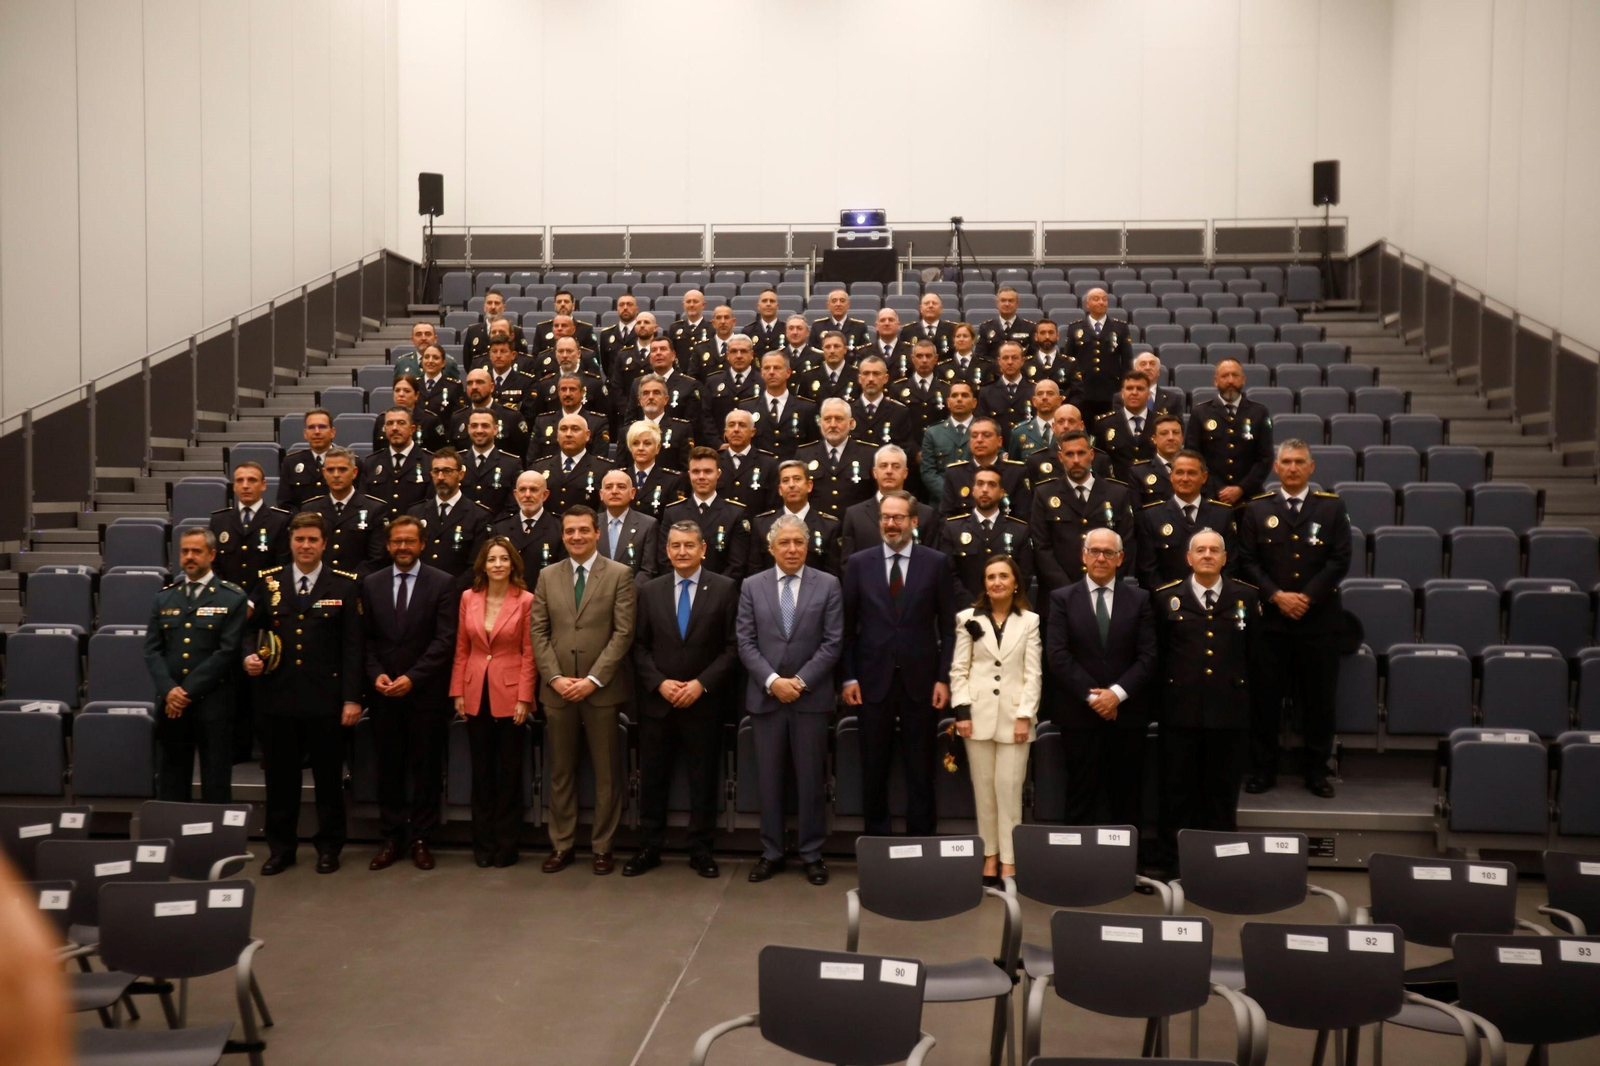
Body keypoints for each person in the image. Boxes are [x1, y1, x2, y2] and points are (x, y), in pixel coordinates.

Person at [245, 513, 363, 873]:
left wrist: (352, 698)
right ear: (290, 542)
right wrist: (248, 654)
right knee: (280, 781)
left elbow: (353, 648)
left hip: (326, 700)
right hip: (277, 698)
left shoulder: (344, 585)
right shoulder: (269, 582)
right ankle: (281, 848)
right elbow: (249, 630)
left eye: (313, 539)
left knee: (328, 780)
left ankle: (329, 847)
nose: (306, 546)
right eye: (300, 540)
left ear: (325, 543)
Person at [1236, 440, 1351, 798]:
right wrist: (1277, 596)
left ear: (1311, 468)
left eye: (1300, 462)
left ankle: (1316, 771)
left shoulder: (1331, 508)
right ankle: (1263, 770)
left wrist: (1307, 597)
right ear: (1275, 468)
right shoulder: (1256, 510)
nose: (1293, 468)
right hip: (1270, 623)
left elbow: (1340, 559)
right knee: (1264, 701)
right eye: (1286, 462)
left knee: (1319, 701)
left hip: (1319, 621)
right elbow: (1247, 560)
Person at [626, 522, 740, 878]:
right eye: (675, 546)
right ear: (667, 550)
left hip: (703, 703)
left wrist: (700, 684)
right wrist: (659, 684)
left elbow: (732, 648)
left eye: (689, 545)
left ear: (703, 548)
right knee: (653, 780)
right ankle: (649, 847)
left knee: (703, 780)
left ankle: (701, 850)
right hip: (658, 703)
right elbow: (639, 647)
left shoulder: (724, 589)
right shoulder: (651, 590)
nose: (682, 552)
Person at [841, 490, 957, 836]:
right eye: (886, 518)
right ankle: (877, 844)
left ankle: (921, 842)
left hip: (922, 682)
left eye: (898, 518)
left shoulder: (936, 562)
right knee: (873, 766)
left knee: (920, 768)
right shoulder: (860, 563)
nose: (891, 524)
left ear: (914, 521)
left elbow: (949, 628)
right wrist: (848, 678)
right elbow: (846, 627)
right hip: (870, 681)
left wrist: (943, 678)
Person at [737, 514, 844, 885]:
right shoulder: (752, 586)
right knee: (768, 780)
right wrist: (772, 681)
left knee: (811, 780)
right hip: (767, 699)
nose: (792, 549)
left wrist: (797, 682)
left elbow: (833, 643)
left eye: (799, 542)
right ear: (771, 548)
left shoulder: (828, 585)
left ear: (808, 545)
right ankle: (772, 851)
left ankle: (812, 853)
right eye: (784, 542)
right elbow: (746, 642)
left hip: (809, 699)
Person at [531, 506, 637, 875]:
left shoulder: (620, 574)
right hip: (557, 690)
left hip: (601, 690)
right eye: (570, 531)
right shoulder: (547, 575)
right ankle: (561, 845)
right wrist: (555, 677)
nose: (576, 537)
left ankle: (603, 846)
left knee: (607, 772)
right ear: (562, 536)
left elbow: (623, 633)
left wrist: (593, 679)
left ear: (597, 533)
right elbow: (539, 632)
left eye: (583, 531)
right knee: (560, 771)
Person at [1152, 529, 1259, 878]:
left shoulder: (1245, 597)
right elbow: (1159, 656)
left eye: (1215, 550)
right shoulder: (1167, 598)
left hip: (1229, 715)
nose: (1208, 555)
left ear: (1225, 558)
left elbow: (1257, 659)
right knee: (1176, 795)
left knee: (1222, 797)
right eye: (1201, 550)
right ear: (1189, 557)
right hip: (1179, 714)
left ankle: (1220, 869)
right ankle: (1174, 868)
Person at [360, 515, 460, 871]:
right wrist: (377, 675)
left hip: (426, 694)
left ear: (422, 544)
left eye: (409, 541)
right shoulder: (370, 583)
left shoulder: (443, 583)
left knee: (426, 767)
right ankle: (391, 837)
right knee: (388, 768)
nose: (403, 547)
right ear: (388, 546)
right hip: (384, 693)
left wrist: (413, 678)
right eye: (397, 542)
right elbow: (366, 639)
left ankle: (421, 838)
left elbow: (445, 639)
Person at [1044, 528, 1158, 826]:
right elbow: (1057, 655)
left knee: (1127, 796)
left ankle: (1128, 867)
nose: (1101, 558)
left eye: (1109, 552)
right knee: (1080, 795)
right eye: (1094, 551)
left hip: (1127, 713)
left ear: (1121, 558)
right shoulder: (1061, 599)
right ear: (1083, 555)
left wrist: (1116, 694)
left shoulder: (1140, 599)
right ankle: (1079, 867)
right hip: (1079, 714)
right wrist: (1095, 697)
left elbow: (1148, 656)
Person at [949, 555, 1040, 883]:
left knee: (1009, 789)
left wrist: (1024, 716)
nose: (997, 582)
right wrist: (962, 712)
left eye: (1004, 576)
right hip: (977, 716)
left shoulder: (1030, 621)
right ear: (984, 585)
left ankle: (1010, 861)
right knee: (984, 790)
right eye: (990, 577)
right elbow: (960, 670)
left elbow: (1033, 674)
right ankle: (990, 856)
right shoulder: (967, 619)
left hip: (1015, 718)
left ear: (1016, 582)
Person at [143, 528, 249, 803]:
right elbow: (152, 650)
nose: (189, 557)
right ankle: (173, 841)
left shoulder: (232, 598)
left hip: (213, 704)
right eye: (185, 551)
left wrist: (185, 692)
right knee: (171, 781)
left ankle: (215, 845)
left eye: (196, 551)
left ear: (212, 555)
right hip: (171, 706)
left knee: (216, 781)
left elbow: (227, 652)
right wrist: (169, 690)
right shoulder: (164, 597)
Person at [449, 537, 536, 868]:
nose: (498, 564)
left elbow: (529, 654)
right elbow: (462, 649)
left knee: (509, 773)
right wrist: (458, 691)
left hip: (511, 694)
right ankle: (482, 846)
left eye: (503, 559)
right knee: (481, 773)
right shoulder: (467, 598)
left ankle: (507, 845)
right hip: (474, 693)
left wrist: (525, 697)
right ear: (482, 565)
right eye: (492, 559)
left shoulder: (526, 600)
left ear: (512, 564)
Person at [210, 461, 290, 761]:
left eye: (252, 480)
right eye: (240, 480)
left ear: (263, 485)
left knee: (264, 683)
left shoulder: (280, 521)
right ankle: (237, 747)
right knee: (232, 683)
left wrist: (253, 602)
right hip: (228, 613)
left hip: (266, 613)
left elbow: (280, 567)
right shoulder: (219, 521)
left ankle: (268, 748)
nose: (245, 485)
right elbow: (214, 566)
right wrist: (232, 602)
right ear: (233, 485)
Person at [1030, 430, 1137, 594]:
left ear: (1091, 454)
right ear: (1060, 458)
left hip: (1106, 592)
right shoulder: (1044, 494)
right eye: (1069, 454)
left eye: (1081, 453)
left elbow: (1126, 544)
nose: (1076, 460)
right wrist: (1069, 591)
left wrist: (1103, 583)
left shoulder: (1117, 493)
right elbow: (1041, 548)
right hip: (1059, 594)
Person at [1136, 448, 1236, 590]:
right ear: (1171, 476)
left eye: (1192, 473)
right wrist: (1169, 599)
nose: (1185, 479)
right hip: (1167, 604)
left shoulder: (1222, 515)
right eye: (1179, 473)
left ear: (1204, 477)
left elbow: (1231, 564)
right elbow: (1148, 570)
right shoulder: (1152, 516)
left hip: (1213, 601)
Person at [1183, 358, 1274, 505]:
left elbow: (1265, 458)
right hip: (1211, 497)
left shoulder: (1259, 412)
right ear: (1216, 380)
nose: (1230, 380)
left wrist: (1241, 488)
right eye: (1225, 376)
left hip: (1249, 498)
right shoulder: (1201, 413)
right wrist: (1218, 489)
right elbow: (1193, 456)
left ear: (1243, 379)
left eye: (1235, 375)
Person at [940, 466, 1033, 601]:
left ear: (1001, 492)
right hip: (965, 611)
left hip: (1006, 609)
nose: (985, 489)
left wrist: (1002, 605)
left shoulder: (1019, 530)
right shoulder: (953, 529)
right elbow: (948, 574)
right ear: (973, 490)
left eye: (992, 485)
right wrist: (972, 607)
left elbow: (1024, 576)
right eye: (980, 484)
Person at [656, 446, 750, 577]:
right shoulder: (673, 512)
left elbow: (736, 565)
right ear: (689, 474)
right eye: (696, 472)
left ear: (718, 474)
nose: (701, 477)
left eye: (707, 471)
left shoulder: (735, 513)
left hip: (720, 592)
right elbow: (665, 559)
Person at [840, 444, 941, 557]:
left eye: (896, 466)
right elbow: (848, 565)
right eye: (883, 466)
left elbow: (932, 561)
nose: (889, 471)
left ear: (905, 473)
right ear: (875, 472)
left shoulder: (925, 514)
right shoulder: (855, 515)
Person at [305, 446, 393, 576]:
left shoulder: (375, 509)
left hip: (358, 586)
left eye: (342, 469)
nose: (336, 475)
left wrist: (347, 583)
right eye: (330, 470)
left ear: (354, 472)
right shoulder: (311, 509)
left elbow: (377, 558)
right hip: (319, 584)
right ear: (324, 473)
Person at [408, 447, 493, 581]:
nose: (441, 477)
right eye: (436, 471)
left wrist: (449, 590)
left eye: (447, 471)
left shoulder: (478, 515)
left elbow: (476, 565)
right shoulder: (416, 512)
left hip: (457, 592)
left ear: (461, 474)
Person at [750, 460, 842, 575]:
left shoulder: (829, 526)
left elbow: (833, 574)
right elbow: (754, 571)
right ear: (780, 490)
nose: (791, 485)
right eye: (785, 481)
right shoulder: (762, 524)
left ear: (809, 486)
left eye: (797, 479)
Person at [794, 398, 877, 517]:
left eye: (839, 419)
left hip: (855, 527)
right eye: (827, 419)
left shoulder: (869, 455)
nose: (833, 425)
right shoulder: (804, 454)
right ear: (820, 422)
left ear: (851, 423)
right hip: (816, 527)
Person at [937, 416, 1031, 520]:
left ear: (999, 441)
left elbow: (1023, 518)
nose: (979, 440)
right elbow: (946, 519)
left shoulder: (1016, 473)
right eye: (974, 436)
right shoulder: (955, 474)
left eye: (986, 435)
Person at [1063, 288, 1132, 421]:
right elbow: (1068, 361)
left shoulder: (1120, 328)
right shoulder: (1075, 328)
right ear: (1087, 304)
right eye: (1096, 299)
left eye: (1104, 299)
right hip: (1083, 392)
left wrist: (1124, 388)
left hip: (1111, 391)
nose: (1101, 302)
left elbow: (1127, 362)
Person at [737, 350, 819, 459]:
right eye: (767, 368)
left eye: (777, 368)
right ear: (762, 373)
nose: (771, 372)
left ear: (788, 372)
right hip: (759, 472)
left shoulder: (806, 408)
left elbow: (812, 447)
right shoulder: (747, 408)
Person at [529, 412, 610, 514]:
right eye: (563, 429)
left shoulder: (603, 468)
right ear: (558, 436)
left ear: (587, 435)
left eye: (575, 429)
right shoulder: (540, 467)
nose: (568, 434)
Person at [493, 470, 567, 575]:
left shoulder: (559, 527)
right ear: (515, 494)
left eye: (533, 490)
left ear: (545, 495)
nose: (527, 495)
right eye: (522, 490)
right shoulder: (500, 528)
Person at [1092, 371, 1159, 482]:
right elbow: (1097, 461)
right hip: (1116, 490)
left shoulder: (1160, 423)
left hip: (1152, 489)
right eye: (1129, 388)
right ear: (1122, 394)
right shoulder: (1104, 424)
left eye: (1140, 389)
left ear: (1149, 395)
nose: (1134, 392)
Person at [361, 407, 432, 511]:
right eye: (390, 423)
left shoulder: (429, 462)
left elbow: (430, 504)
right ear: (384, 429)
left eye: (401, 423)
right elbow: (365, 503)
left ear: (412, 429)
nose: (395, 428)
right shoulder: (371, 463)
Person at [595, 468, 660, 582]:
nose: (614, 491)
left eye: (621, 487)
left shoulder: (648, 525)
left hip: (631, 595)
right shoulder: (592, 523)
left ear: (632, 493)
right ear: (601, 494)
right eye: (609, 487)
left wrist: (626, 595)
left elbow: (648, 570)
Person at [920, 380, 978, 505]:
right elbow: (928, 471)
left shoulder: (986, 430)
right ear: (948, 402)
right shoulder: (933, 433)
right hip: (943, 504)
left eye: (965, 395)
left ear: (974, 403)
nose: (959, 399)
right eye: (954, 395)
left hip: (978, 501)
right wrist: (950, 494)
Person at [459, 409, 522, 517]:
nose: (479, 430)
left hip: (497, 529)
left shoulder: (512, 464)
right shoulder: (457, 461)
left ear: (495, 429)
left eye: (485, 426)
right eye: (474, 426)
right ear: (468, 429)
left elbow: (513, 506)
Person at [701, 334, 761, 445]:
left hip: (754, 448)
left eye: (743, 351)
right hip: (721, 449)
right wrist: (718, 444)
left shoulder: (763, 381)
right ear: (727, 355)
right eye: (734, 351)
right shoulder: (713, 381)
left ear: (752, 355)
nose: (738, 356)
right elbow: (706, 417)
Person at [717, 408, 779, 515]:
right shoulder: (714, 461)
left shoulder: (769, 464)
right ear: (726, 432)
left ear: (752, 432)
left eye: (742, 425)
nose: (736, 430)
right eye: (731, 425)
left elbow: (773, 507)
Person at [620, 419, 686, 519]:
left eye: (647, 443)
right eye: (636, 443)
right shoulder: (620, 477)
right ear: (630, 447)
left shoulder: (672, 481)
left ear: (658, 448)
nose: (641, 448)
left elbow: (673, 520)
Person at [850, 354, 913, 452]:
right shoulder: (848, 411)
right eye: (866, 373)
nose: (871, 379)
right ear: (860, 378)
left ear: (886, 378)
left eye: (876, 374)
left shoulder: (899, 412)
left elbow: (905, 450)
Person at [277, 408, 337, 509]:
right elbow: (284, 503)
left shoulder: (348, 461)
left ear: (332, 432)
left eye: (322, 427)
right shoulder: (291, 463)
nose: (317, 432)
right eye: (311, 427)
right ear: (305, 433)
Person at [370, 375, 446, 453]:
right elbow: (377, 453)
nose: (401, 394)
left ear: (416, 395)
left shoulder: (430, 420)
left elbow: (439, 455)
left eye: (407, 391)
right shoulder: (382, 420)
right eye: (397, 390)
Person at [976, 341, 1036, 433]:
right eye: (1005, 358)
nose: (1010, 362)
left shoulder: (1034, 390)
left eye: (1015, 358)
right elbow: (982, 426)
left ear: (1023, 361)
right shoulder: (986, 392)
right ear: (999, 361)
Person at [1127, 411, 1186, 504]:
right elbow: (1137, 512)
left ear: (1182, 438)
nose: (1171, 437)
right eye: (1164, 433)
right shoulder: (1139, 473)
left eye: (1176, 432)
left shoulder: (1196, 469)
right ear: (1154, 439)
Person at [974, 287, 1038, 362]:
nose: (1007, 304)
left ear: (1017, 303)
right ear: (997, 303)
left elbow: (1035, 355)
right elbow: (980, 355)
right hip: (993, 372)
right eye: (1003, 300)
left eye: (1011, 301)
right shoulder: (985, 328)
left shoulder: (1030, 328)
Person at [795, 331, 859, 404]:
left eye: (836, 346)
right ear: (823, 350)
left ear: (845, 349)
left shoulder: (857, 376)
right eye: (827, 347)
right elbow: (802, 408)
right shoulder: (809, 377)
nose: (832, 351)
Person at [1007, 378, 1062, 460]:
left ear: (1059, 400)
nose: (1044, 397)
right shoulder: (1019, 432)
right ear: (1034, 401)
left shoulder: (1070, 429)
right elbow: (1014, 468)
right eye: (1040, 394)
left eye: (1050, 393)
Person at [1133, 350, 1185, 416]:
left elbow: (1178, 425)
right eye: (1143, 364)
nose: (1148, 368)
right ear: (1135, 371)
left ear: (1158, 371)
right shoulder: (1121, 398)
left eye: (1152, 364)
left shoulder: (1173, 399)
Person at [908, 293, 956, 357]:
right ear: (920, 308)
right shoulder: (908, 331)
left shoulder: (953, 329)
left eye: (934, 303)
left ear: (941, 308)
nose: (930, 306)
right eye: (926, 303)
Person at [742, 289, 785, 354]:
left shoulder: (786, 330)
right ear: (758, 306)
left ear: (777, 306)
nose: (768, 304)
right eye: (764, 301)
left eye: (772, 301)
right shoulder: (748, 331)